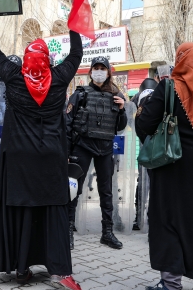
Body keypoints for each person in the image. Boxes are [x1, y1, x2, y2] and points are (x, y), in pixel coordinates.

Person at [0, 2, 83, 290]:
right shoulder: (59, 79)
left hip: (19, 159)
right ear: (49, 60)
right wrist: (73, 25)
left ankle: (22, 268)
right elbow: (76, 53)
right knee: (53, 210)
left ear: (26, 60)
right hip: (51, 157)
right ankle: (60, 271)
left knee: (23, 210)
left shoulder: (14, 77)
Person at [137, 42, 193, 290]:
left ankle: (171, 283)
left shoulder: (168, 87)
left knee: (168, 222)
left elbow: (145, 124)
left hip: (172, 166)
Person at [65, 56, 127, 250]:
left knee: (106, 190)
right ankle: (67, 231)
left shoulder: (117, 95)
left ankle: (107, 233)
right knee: (74, 189)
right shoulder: (81, 93)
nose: (99, 71)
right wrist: (66, 151)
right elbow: (67, 121)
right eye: (96, 68)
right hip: (82, 145)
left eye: (103, 68)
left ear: (108, 72)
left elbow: (121, 126)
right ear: (91, 71)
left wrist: (122, 109)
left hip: (105, 148)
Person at [132, 78, 158, 231]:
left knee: (144, 184)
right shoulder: (160, 97)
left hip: (146, 146)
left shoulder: (137, 98)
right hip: (157, 148)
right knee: (152, 184)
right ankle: (150, 220)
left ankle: (140, 218)